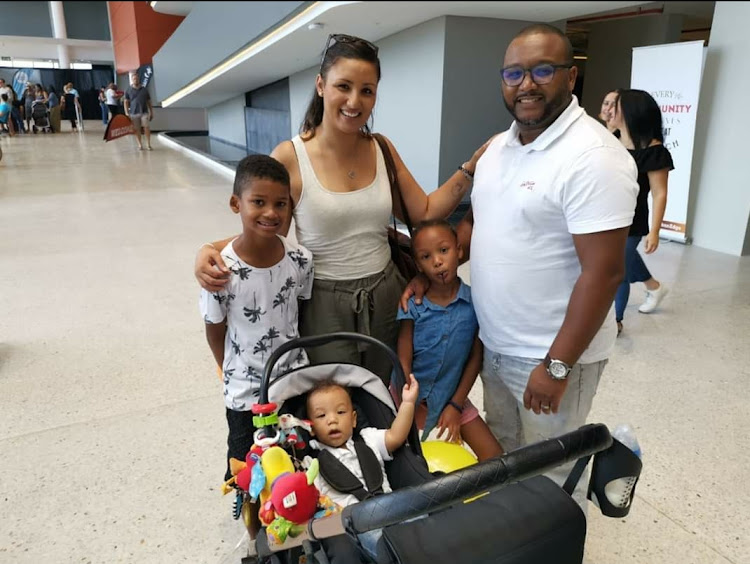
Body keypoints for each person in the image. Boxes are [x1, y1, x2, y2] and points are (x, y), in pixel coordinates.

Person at [401, 24, 639, 509]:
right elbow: (475, 226)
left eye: (542, 71)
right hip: (495, 344)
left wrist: (556, 366)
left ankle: (590, 495)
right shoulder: (498, 148)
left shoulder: (594, 158)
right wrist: (428, 273)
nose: (526, 84)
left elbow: (605, 273)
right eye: (514, 73)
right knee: (505, 461)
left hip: (551, 355)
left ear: (571, 78)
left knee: (549, 474)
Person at [195, 33, 490, 383]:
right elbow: (266, 230)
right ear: (321, 85)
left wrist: (469, 168)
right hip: (322, 302)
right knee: (334, 407)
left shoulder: (380, 148)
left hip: (386, 294)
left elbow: (424, 211)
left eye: (367, 90)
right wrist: (210, 249)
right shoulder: (292, 156)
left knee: (385, 396)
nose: (354, 101)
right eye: (343, 86)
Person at [199, 154, 314, 486]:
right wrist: (226, 366)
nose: (271, 213)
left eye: (281, 204)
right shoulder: (220, 270)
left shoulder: (301, 260)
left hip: (294, 381)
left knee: (298, 461)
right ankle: (253, 534)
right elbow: (214, 328)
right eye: (258, 202)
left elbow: (300, 310)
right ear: (236, 204)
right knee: (246, 470)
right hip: (244, 391)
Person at [396, 219, 502, 461]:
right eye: (426, 256)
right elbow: (403, 356)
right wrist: (407, 399)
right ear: (418, 264)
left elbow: (475, 357)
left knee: (495, 459)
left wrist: (455, 405)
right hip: (408, 396)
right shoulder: (413, 304)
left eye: (444, 250)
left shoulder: (475, 304)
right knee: (405, 460)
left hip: (452, 395)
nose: (437, 261)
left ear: (460, 250)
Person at [306, 374, 418, 563]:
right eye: (321, 415)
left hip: (391, 507)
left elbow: (396, 436)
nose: (332, 420)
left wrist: (407, 404)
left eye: (340, 412)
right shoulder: (311, 464)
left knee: (422, 518)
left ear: (354, 419)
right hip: (357, 525)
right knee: (385, 545)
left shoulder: (368, 439)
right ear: (311, 428)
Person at [607, 89, 673, 334]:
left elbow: (659, 193)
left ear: (632, 112)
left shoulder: (653, 151)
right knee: (622, 259)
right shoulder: (609, 139)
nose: (609, 110)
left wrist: (654, 232)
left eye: (616, 106)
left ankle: (616, 321)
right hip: (603, 215)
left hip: (632, 221)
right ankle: (654, 286)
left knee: (618, 268)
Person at [123, 72, 154, 150]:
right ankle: (140, 144)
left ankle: (148, 144)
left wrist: (151, 112)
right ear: (132, 80)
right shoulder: (128, 90)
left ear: (139, 79)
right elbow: (126, 102)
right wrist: (126, 112)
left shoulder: (144, 90)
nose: (135, 80)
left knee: (146, 127)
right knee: (137, 129)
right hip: (133, 113)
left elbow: (149, 101)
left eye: (136, 78)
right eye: (134, 79)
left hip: (144, 112)